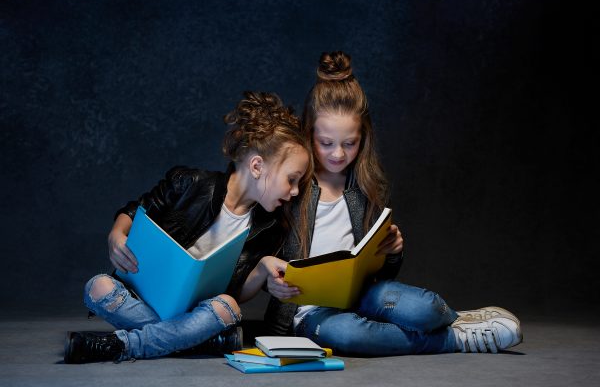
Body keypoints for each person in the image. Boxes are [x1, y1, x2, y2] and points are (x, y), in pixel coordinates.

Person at [258, 51, 523, 356]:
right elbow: (260, 256)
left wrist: (393, 252)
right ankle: (455, 339)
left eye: (350, 143)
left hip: (362, 295)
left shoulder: (366, 186)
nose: (338, 154)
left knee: (425, 309)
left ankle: (454, 320)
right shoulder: (290, 187)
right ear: (309, 134)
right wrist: (269, 280)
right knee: (348, 335)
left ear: (363, 137)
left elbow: (381, 275)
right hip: (308, 313)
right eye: (326, 143)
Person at [64, 91, 311, 363]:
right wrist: (116, 234)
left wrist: (262, 268)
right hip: (148, 298)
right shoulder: (190, 183)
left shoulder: (269, 227)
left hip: (200, 312)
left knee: (228, 306)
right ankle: (196, 341)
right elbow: (137, 209)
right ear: (256, 166)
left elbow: (236, 292)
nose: (296, 191)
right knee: (96, 287)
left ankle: (124, 345)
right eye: (292, 179)